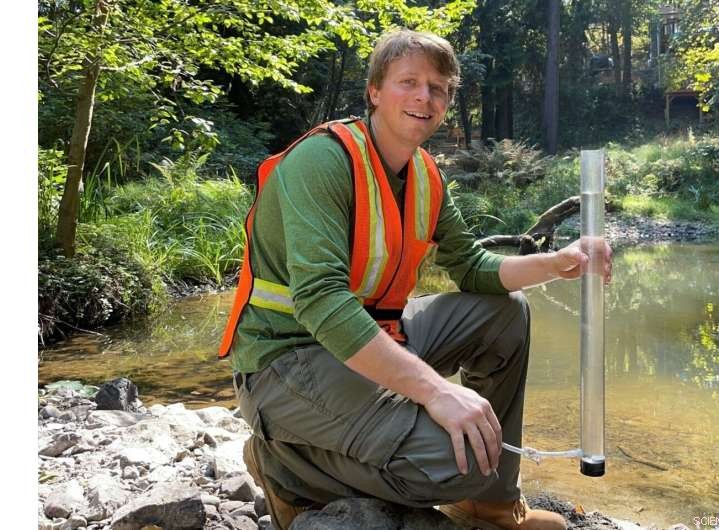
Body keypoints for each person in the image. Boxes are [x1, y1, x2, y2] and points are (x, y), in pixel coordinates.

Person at [220, 29, 612, 530]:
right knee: (458, 464)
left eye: (439, 87)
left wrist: (558, 262)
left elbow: (472, 267)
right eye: (409, 81)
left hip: (370, 339)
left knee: (506, 312)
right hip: (284, 362)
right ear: (375, 91)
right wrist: (435, 392)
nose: (425, 97)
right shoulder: (323, 162)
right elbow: (321, 302)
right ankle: (291, 471)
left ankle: (489, 506)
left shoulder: (426, 175)